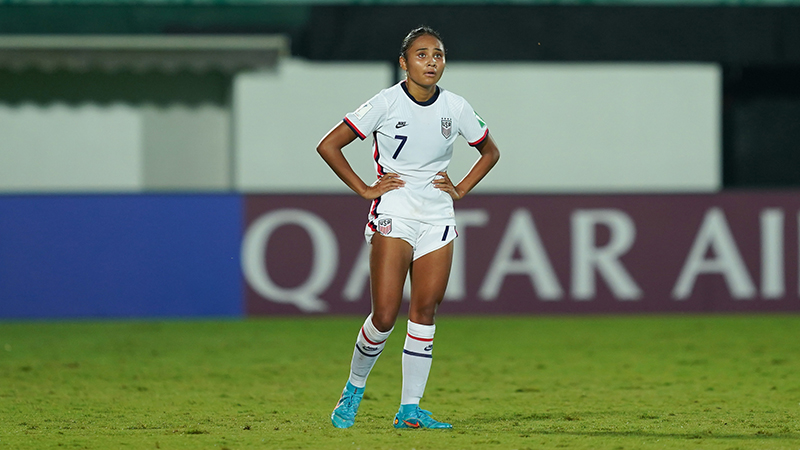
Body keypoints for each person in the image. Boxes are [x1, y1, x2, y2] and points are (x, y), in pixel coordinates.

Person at [316, 25, 500, 430]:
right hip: (394, 211)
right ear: (404, 62)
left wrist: (461, 188)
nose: (431, 62)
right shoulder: (386, 102)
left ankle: (409, 410)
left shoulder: (456, 106)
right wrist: (365, 188)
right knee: (384, 315)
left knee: (425, 311)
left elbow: (490, 151)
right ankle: (354, 387)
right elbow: (329, 145)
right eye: (421, 55)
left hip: (437, 215)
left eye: (438, 55)